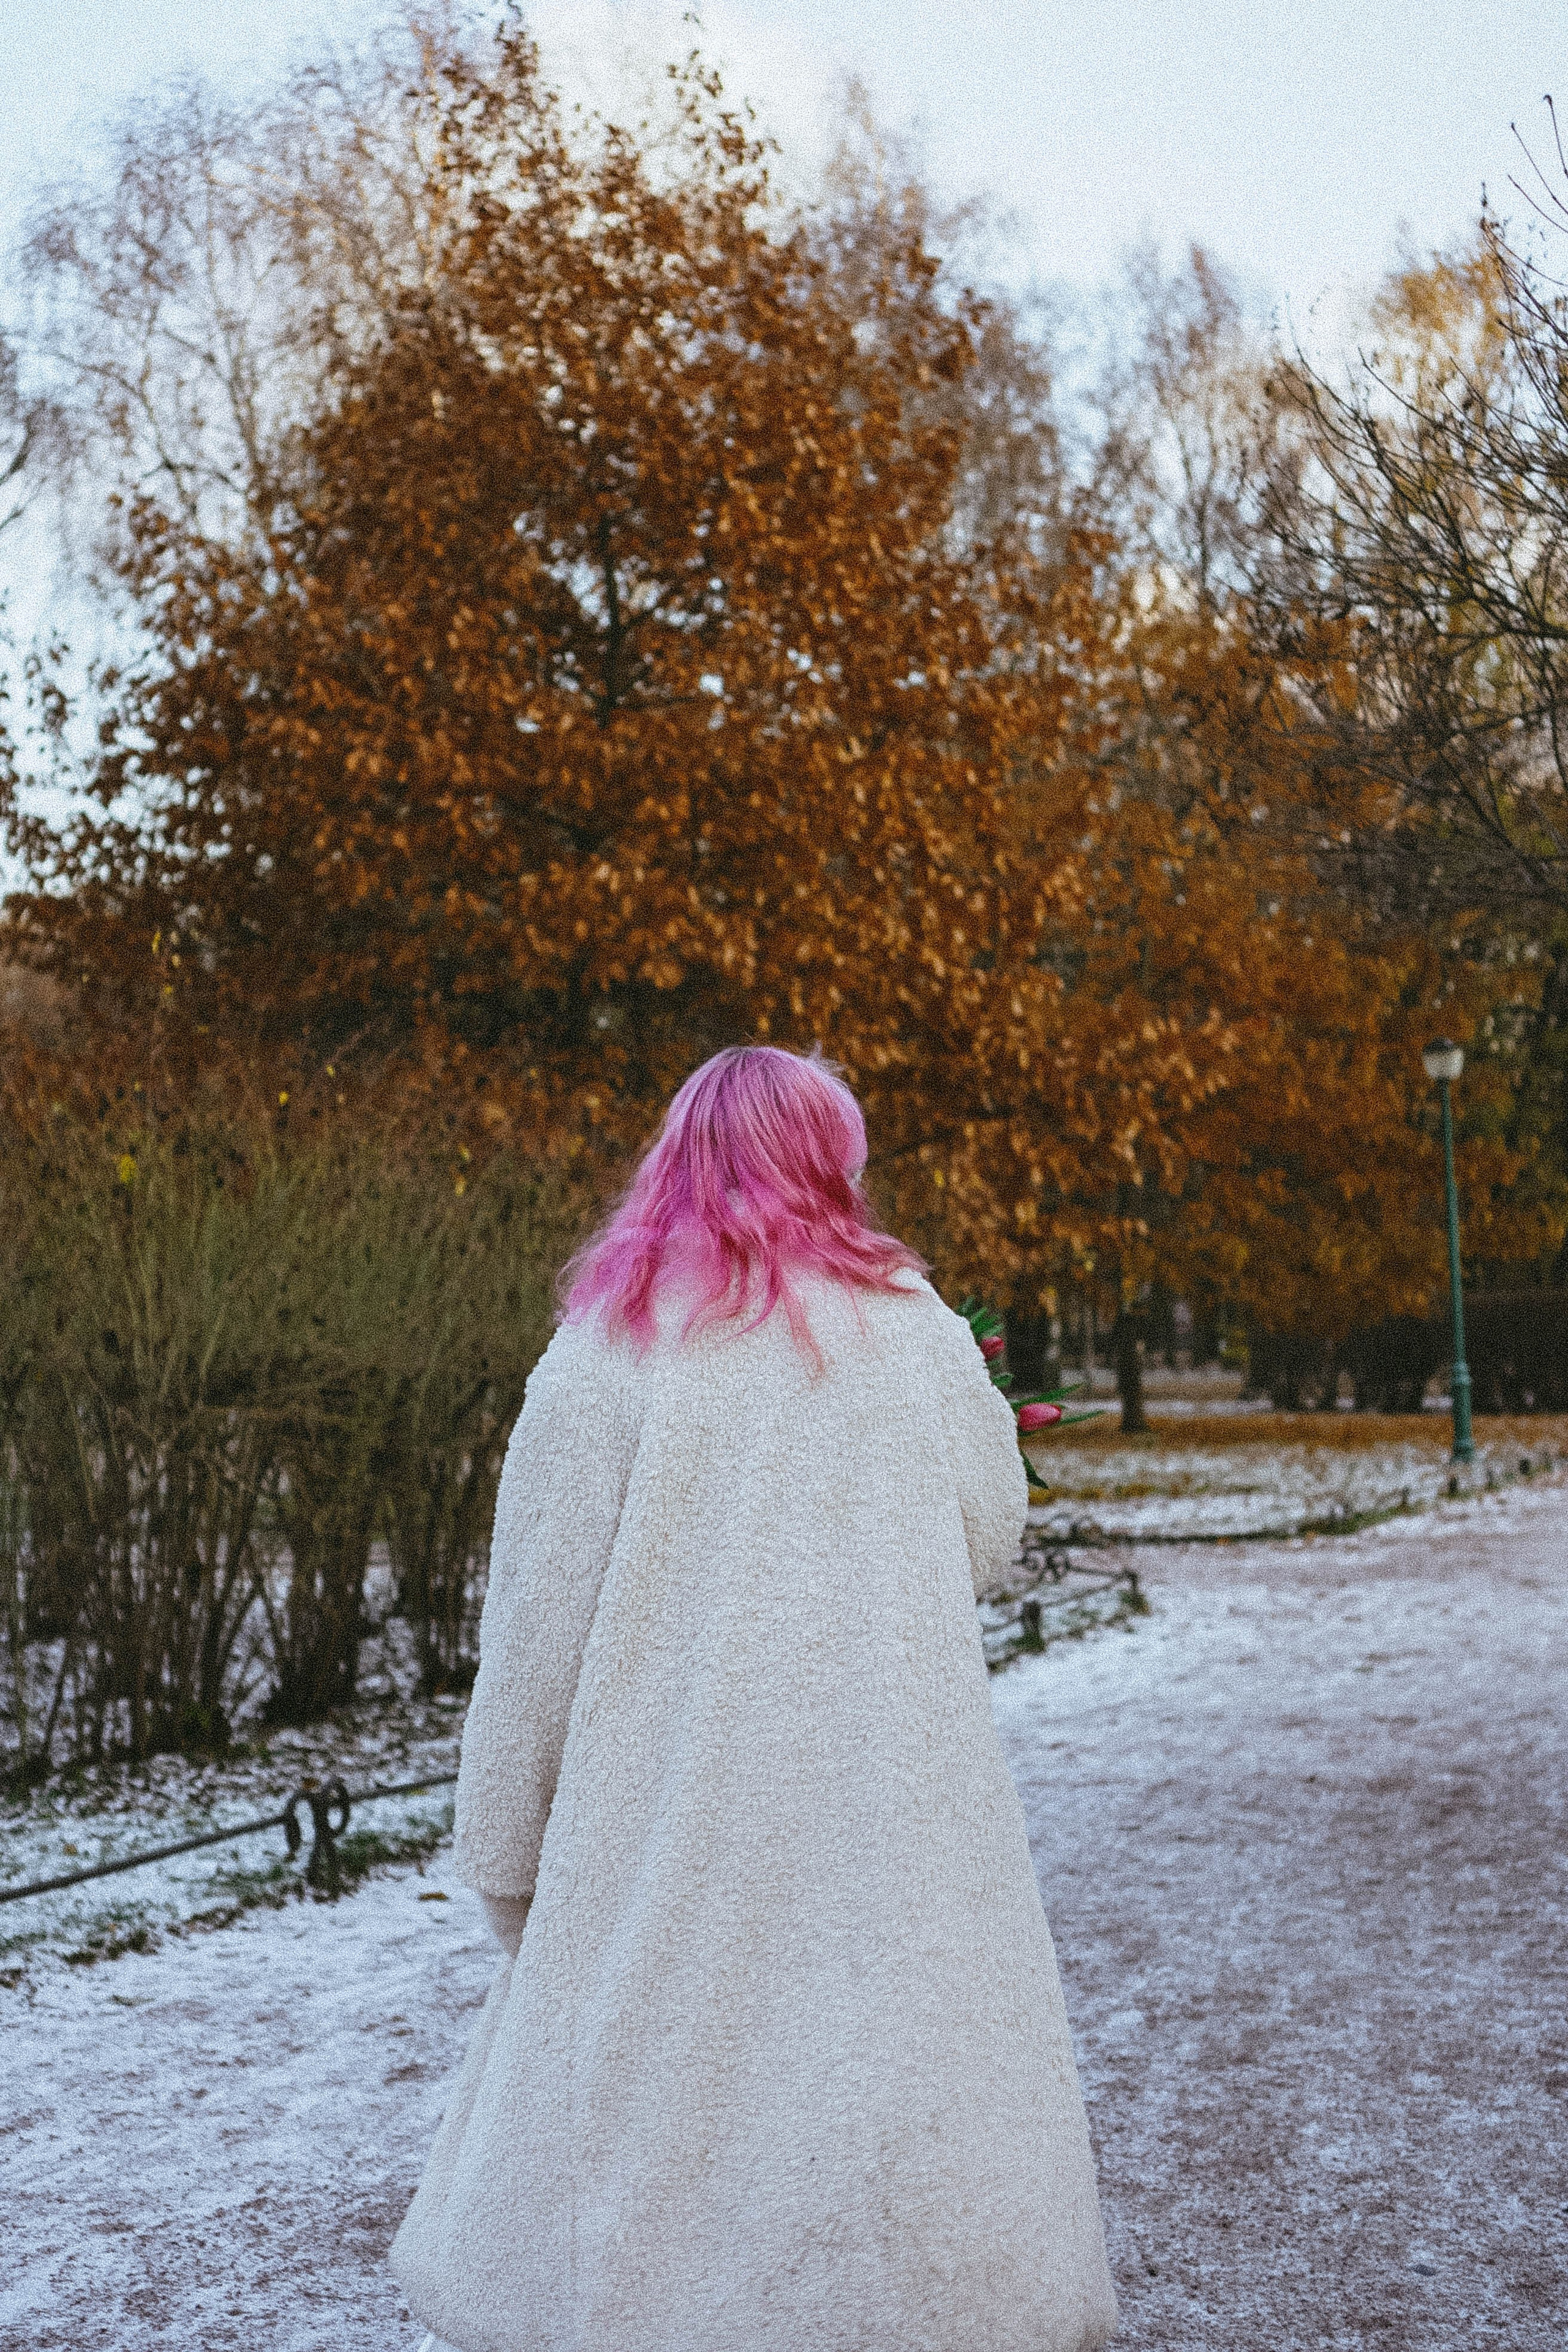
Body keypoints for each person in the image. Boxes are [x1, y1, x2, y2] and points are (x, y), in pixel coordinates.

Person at [391, 1045, 1117, 2352]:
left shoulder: (606, 1355)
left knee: (665, 2167)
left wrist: (506, 1861)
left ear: (674, 1163)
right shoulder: (920, 1338)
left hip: (673, 1834)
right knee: (905, 2112)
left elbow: (534, 1638)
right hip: (897, 1813)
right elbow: (984, 1533)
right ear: (833, 1165)